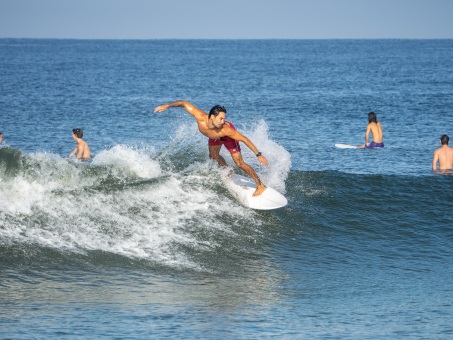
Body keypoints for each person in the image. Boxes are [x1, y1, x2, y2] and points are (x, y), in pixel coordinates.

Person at [154, 100, 269, 196]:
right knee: (213, 156)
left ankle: (260, 185)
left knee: (240, 163)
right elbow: (184, 103)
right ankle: (228, 170)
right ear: (212, 117)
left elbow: (245, 139)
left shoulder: (226, 129)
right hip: (214, 136)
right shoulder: (200, 116)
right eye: (220, 118)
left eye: (224, 118)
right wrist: (167, 105)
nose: (223, 121)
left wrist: (258, 154)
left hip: (227, 137)